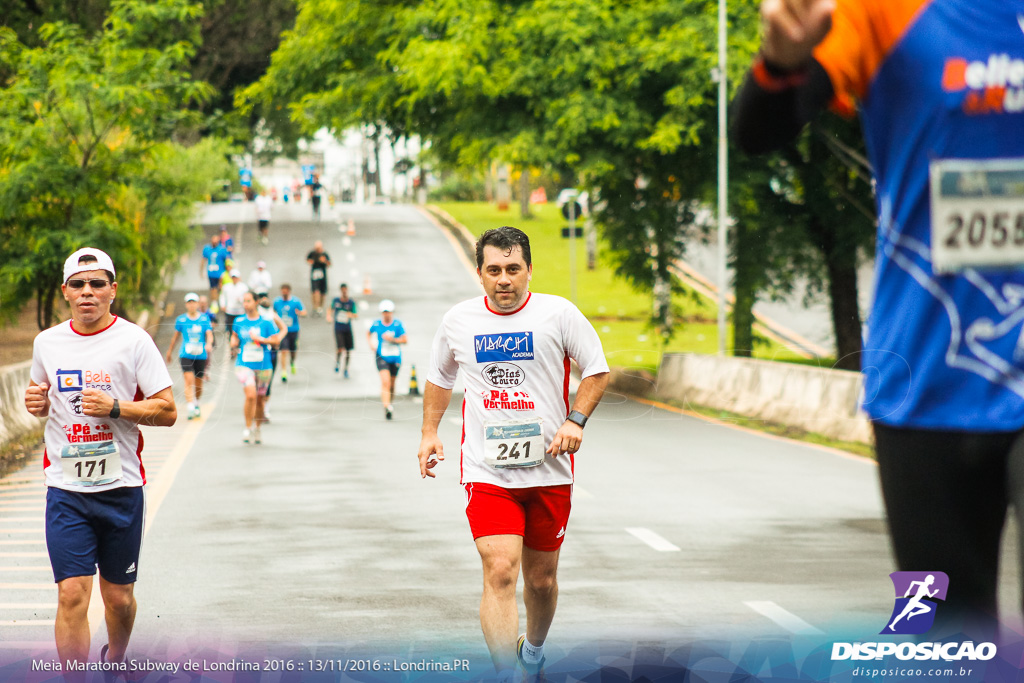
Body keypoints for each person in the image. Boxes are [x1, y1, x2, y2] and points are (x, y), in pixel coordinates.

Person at [731, 0, 1024, 636]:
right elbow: (758, 129)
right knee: (942, 641)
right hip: (924, 380)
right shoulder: (883, 11)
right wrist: (781, 61)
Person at [417, 227, 609, 680]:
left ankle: (534, 651)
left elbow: (597, 371)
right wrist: (429, 432)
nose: (504, 279)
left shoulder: (558, 314)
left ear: (528, 270)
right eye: (494, 270)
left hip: (549, 470)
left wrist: (574, 421)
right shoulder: (459, 321)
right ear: (480, 273)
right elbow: (439, 379)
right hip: (487, 471)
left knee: (540, 581)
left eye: (513, 269)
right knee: (500, 570)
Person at [24, 247, 176, 671]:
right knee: (72, 592)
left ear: (112, 290)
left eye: (96, 284)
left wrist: (115, 408)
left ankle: (118, 658)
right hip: (67, 489)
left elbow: (167, 411)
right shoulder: (47, 343)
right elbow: (40, 399)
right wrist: (35, 403)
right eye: (78, 284)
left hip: (121, 488)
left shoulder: (134, 341)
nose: (87, 292)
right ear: (65, 293)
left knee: (118, 598)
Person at [230, 291, 283, 444]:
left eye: (249, 301)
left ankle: (257, 428)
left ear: (256, 302)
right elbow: (234, 335)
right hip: (244, 364)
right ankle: (247, 428)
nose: (246, 304)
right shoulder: (239, 321)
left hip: (264, 365)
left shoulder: (266, 322)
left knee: (260, 400)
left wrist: (260, 340)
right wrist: (233, 342)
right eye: (244, 301)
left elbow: (276, 341)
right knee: (251, 395)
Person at [164, 292, 214, 420]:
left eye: (194, 302)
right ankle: (190, 406)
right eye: (189, 302)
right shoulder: (181, 319)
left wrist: (209, 344)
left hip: (200, 355)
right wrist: (169, 351)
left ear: (197, 304)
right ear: (186, 305)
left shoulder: (204, 319)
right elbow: (175, 337)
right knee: (188, 379)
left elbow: (209, 334)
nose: (191, 305)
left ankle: (196, 402)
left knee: (198, 383)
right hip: (186, 354)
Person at [368, 299, 407, 420]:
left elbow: (405, 340)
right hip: (381, 356)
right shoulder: (376, 324)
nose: (386, 314)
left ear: (392, 312)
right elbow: (368, 333)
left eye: (388, 312)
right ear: (381, 313)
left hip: (395, 357)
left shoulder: (397, 325)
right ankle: (387, 407)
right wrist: (371, 344)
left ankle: (389, 403)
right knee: (385, 381)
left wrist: (393, 340)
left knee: (392, 383)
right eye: (384, 312)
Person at [257, 292, 286, 421]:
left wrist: (276, 339)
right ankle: (258, 409)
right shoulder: (256, 316)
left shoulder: (272, 315)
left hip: (271, 352)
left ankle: (265, 410)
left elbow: (284, 328)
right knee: (255, 383)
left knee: (267, 382)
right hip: (257, 353)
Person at [273, 283, 307, 380]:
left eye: (286, 290)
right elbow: (273, 313)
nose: (284, 292)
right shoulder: (277, 302)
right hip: (282, 331)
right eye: (282, 290)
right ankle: (283, 371)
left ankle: (292, 362)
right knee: (284, 351)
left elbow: (304, 312)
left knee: (292, 350)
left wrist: (299, 313)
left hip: (293, 330)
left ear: (289, 291)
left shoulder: (296, 301)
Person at [330, 283, 358, 377]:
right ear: (341, 291)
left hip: (347, 329)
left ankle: (346, 369)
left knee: (348, 350)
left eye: (346, 290)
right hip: (338, 328)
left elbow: (356, 315)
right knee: (340, 348)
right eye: (343, 290)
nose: (344, 291)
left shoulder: (351, 303)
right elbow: (330, 309)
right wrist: (328, 317)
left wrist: (351, 315)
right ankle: (337, 362)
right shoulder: (336, 301)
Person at [219, 269, 249, 352]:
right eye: (233, 277)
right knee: (231, 330)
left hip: (240, 312)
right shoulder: (226, 287)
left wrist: (242, 300)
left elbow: (247, 298)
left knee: (240, 330)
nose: (234, 279)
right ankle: (232, 348)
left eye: (236, 277)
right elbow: (222, 297)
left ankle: (240, 346)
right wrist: (223, 305)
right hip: (230, 312)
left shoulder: (243, 287)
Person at [306, 240, 332, 315]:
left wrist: (324, 261)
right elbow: (308, 260)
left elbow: (329, 264)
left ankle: (320, 306)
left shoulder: (324, 254)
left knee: (323, 292)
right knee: (315, 291)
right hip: (314, 275)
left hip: (322, 275)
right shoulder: (312, 253)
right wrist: (312, 261)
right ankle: (316, 307)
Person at [200, 234, 229, 301]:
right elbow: (203, 260)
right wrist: (201, 272)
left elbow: (227, 260)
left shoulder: (222, 249)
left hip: (221, 273)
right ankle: (214, 302)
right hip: (211, 273)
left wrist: (228, 271)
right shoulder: (207, 248)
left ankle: (220, 301)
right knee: (213, 288)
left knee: (221, 288)